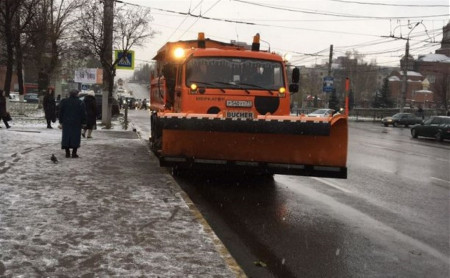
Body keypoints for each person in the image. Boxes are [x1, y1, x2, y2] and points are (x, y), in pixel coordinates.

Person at [59, 89, 86, 158]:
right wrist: (83, 122)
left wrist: (61, 121)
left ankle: (67, 153)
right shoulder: (80, 102)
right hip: (76, 122)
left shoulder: (64, 101)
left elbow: (60, 112)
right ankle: (74, 153)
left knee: (66, 137)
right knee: (75, 137)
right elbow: (83, 113)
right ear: (77, 94)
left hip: (66, 122)